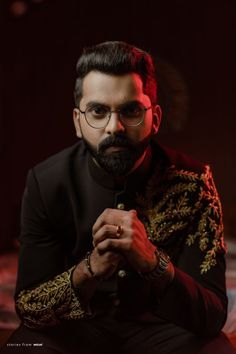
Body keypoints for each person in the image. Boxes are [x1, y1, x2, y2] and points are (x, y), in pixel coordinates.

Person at [2, 41, 235, 354]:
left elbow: (213, 313)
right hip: (73, 333)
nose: (115, 127)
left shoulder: (194, 182)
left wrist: (153, 261)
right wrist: (90, 269)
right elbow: (30, 307)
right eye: (98, 111)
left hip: (165, 331)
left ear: (156, 118)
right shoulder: (46, 182)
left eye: (131, 111)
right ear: (77, 121)